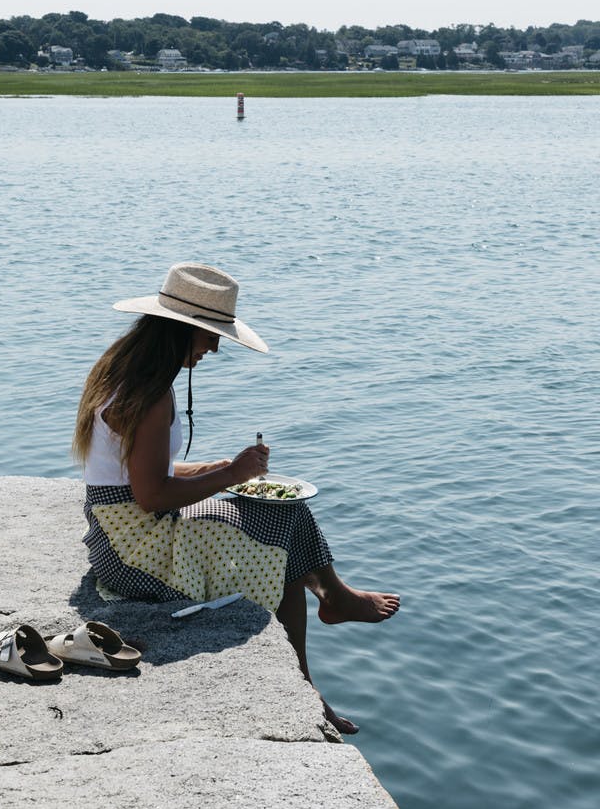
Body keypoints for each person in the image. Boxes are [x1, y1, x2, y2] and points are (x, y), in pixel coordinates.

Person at [73, 262, 399, 733]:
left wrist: (214, 469)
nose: (215, 346)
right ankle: (309, 675)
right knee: (276, 538)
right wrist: (231, 474)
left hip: (115, 531)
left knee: (279, 511)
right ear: (181, 331)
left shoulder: (120, 369)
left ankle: (332, 606)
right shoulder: (150, 396)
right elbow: (152, 496)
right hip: (136, 553)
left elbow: (134, 474)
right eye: (209, 335)